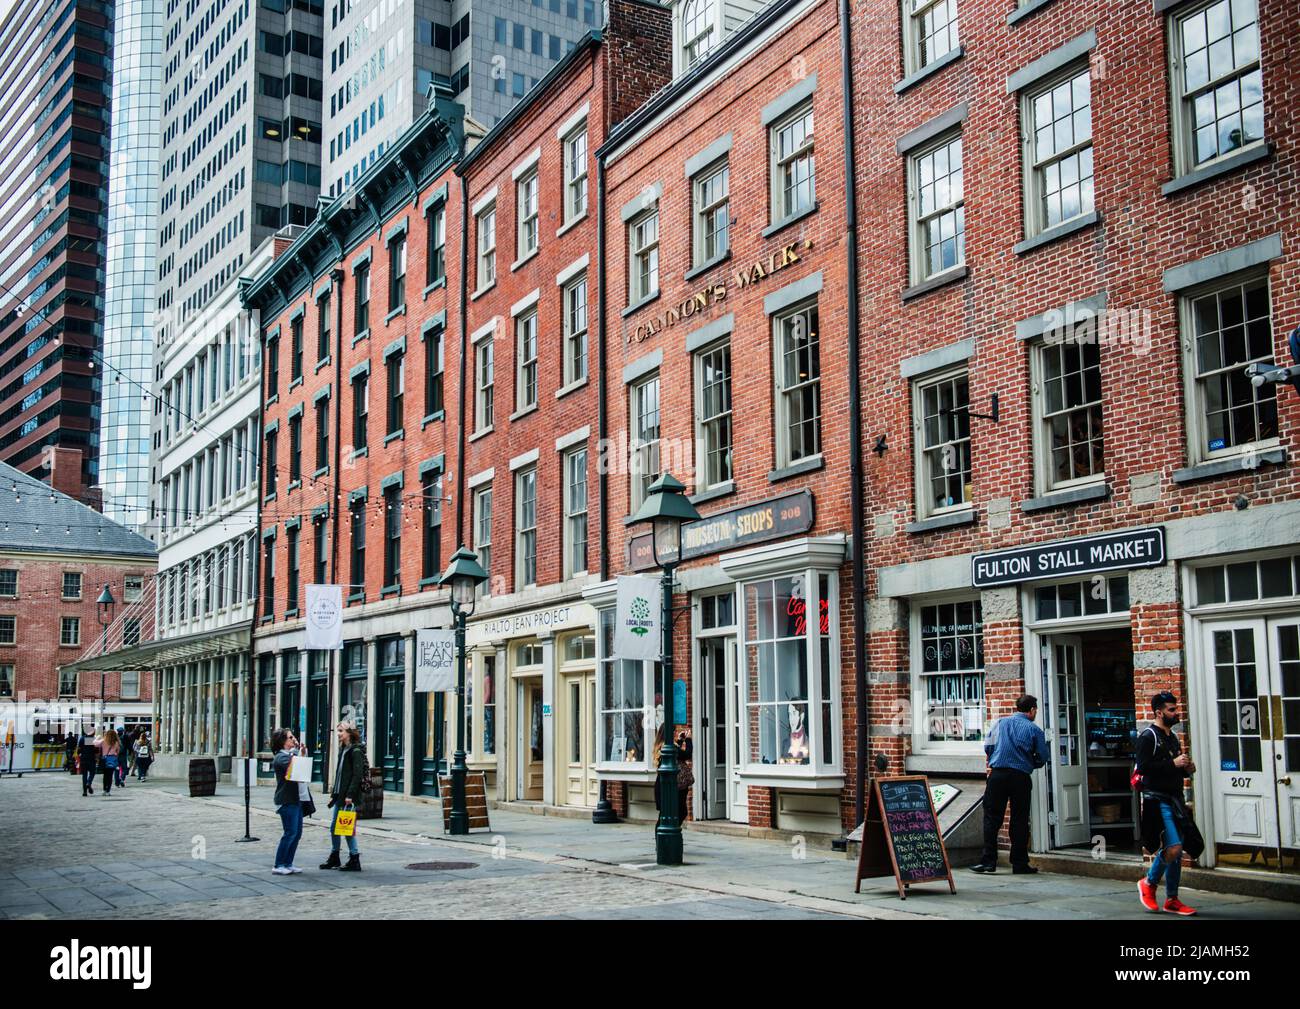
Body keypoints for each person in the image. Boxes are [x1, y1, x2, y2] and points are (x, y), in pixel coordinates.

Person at [971, 694, 1050, 875]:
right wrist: (1031, 763)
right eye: (1035, 710)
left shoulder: (999, 724)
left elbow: (988, 747)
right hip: (1020, 776)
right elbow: (1043, 757)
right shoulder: (1034, 730)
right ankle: (1019, 863)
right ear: (1032, 710)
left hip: (997, 774)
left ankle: (988, 862)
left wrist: (996, 758)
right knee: (1020, 819)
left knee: (991, 818)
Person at [1136, 691, 1198, 916]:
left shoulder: (1171, 736)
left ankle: (1172, 898)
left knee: (1177, 850)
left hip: (1175, 799)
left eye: (1176, 708)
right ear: (1159, 712)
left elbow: (1171, 769)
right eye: (1171, 710)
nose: (1176, 712)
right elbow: (1142, 768)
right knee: (1174, 848)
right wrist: (1173, 763)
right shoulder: (1148, 736)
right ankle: (1149, 883)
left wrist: (1185, 769)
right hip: (1157, 800)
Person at [320, 722, 365, 872]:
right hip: (340, 796)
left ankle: (354, 858)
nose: (338, 733)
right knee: (336, 828)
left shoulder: (355, 751)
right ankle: (335, 856)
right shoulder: (343, 750)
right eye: (338, 731)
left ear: (350, 733)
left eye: (341, 731)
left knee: (345, 828)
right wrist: (334, 795)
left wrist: (350, 795)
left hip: (348, 796)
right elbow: (340, 775)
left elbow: (357, 775)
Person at [271, 728, 305, 875]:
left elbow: (300, 762)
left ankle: (288, 863)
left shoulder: (290, 755)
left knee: (296, 833)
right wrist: (298, 751)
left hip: (294, 799)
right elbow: (297, 766)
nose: (294, 739)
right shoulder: (281, 757)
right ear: (283, 741)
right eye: (291, 737)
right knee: (290, 832)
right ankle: (279, 864)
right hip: (286, 800)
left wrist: (299, 751)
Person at [652, 726, 693, 826]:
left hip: (665, 785)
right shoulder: (669, 747)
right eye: (673, 731)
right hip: (671, 786)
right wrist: (688, 739)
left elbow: (677, 755)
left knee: (666, 815)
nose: (675, 733)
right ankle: (664, 838)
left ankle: (663, 838)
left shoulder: (663, 746)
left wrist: (679, 741)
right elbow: (687, 754)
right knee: (674, 813)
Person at [99, 728, 122, 796]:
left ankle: (104, 789)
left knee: (105, 776)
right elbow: (118, 752)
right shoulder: (116, 743)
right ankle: (108, 790)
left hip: (105, 759)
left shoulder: (103, 741)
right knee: (110, 776)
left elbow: (95, 744)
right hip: (112, 760)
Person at [77, 729, 99, 796]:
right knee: (92, 772)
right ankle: (89, 783)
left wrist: (80, 753)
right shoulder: (93, 739)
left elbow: (79, 749)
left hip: (83, 759)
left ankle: (84, 792)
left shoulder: (82, 738)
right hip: (91, 759)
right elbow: (96, 750)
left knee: (84, 775)